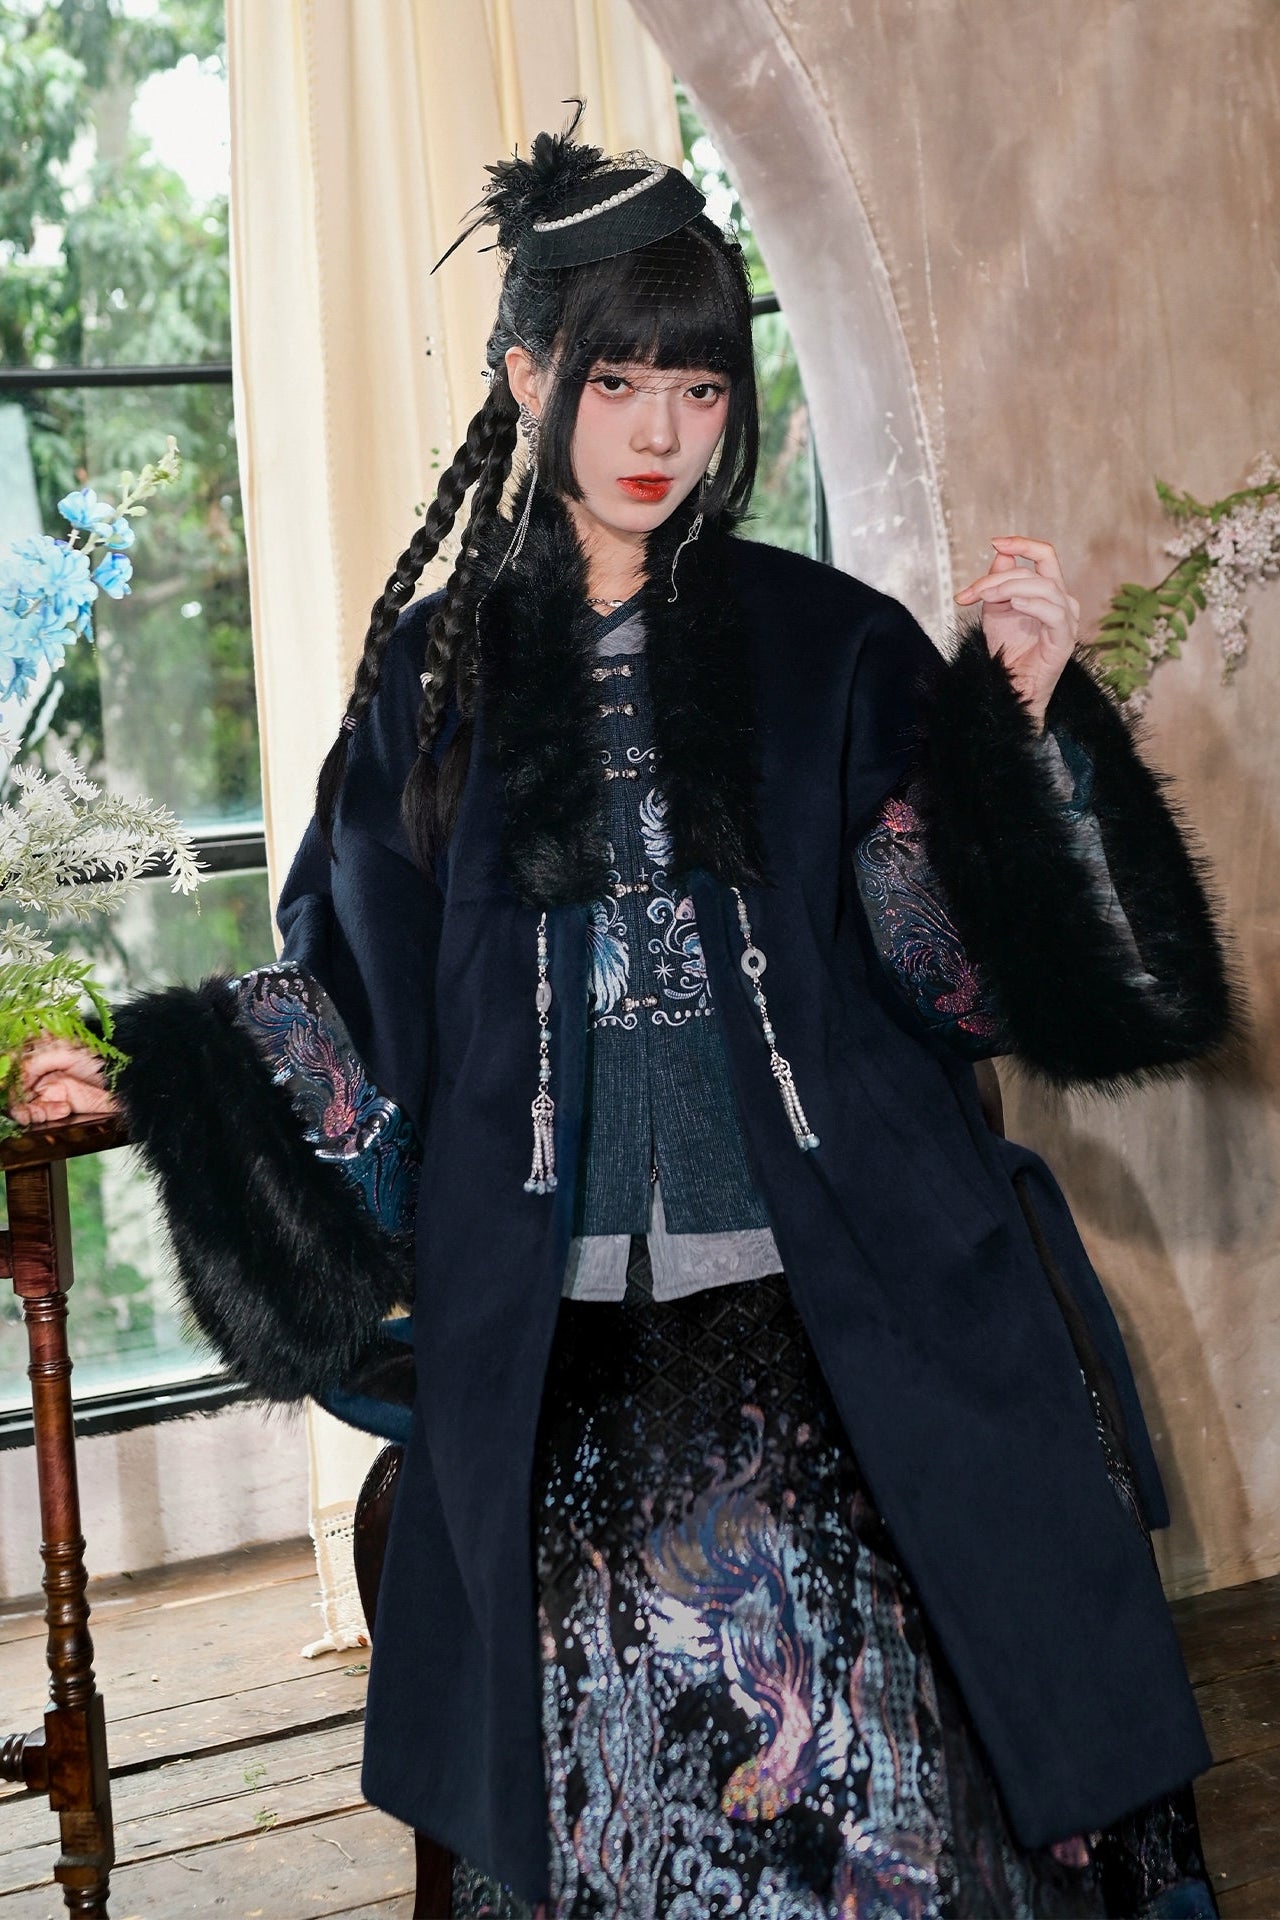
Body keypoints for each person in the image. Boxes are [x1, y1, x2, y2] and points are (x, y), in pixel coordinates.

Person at [11, 105, 1239, 1918]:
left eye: (701, 387)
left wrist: (1029, 730)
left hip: (852, 1280)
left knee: (876, 1614)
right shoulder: (436, 684)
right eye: (617, 383)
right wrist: (143, 1058)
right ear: (528, 377)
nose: (663, 433)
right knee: (614, 1632)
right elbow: (357, 1014)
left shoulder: (831, 650)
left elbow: (958, 982)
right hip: (560, 1320)